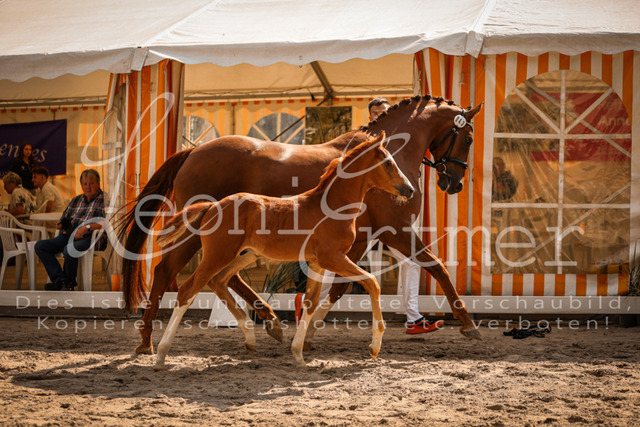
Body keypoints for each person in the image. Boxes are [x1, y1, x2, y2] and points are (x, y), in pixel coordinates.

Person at [296, 98, 443, 334]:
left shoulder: (398, 144)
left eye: (383, 112)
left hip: (386, 219)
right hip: (362, 219)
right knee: (334, 263)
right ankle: (306, 304)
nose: (379, 116)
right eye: (375, 113)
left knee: (410, 262)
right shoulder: (361, 141)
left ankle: (413, 318)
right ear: (370, 116)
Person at [35, 169, 105, 291]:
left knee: (69, 249)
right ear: (81, 185)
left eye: (91, 183)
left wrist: (87, 227)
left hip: (91, 237)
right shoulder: (76, 200)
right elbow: (64, 217)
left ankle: (67, 283)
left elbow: (109, 222)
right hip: (69, 235)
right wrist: (61, 224)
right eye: (85, 184)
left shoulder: (105, 200)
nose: (88, 187)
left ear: (98, 183)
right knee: (40, 246)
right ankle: (61, 280)